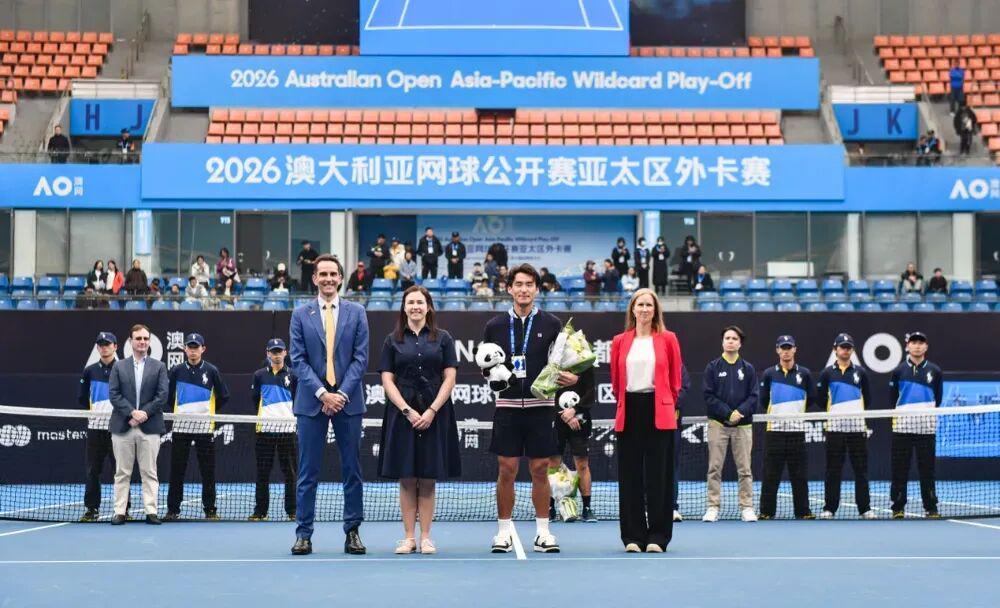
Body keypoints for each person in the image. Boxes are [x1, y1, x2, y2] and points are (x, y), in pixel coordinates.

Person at [482, 264, 580, 553]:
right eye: (518, 284)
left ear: (537, 289)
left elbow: (565, 364)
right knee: (507, 469)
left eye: (529, 285)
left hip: (541, 408)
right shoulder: (494, 326)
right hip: (507, 407)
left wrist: (572, 378)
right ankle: (503, 532)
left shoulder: (552, 324)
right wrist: (493, 377)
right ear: (509, 288)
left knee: (540, 469)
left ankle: (543, 532)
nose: (523, 289)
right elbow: (486, 366)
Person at [290, 254, 370, 556]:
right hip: (312, 403)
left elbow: (360, 358)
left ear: (340, 278)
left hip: (348, 403)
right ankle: (303, 534)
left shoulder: (357, 312)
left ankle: (353, 532)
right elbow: (298, 360)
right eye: (322, 274)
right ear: (314, 278)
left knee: (352, 471)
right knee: (307, 472)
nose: (328, 279)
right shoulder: (300, 314)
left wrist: (341, 394)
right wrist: (323, 394)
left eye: (333, 274)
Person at [379, 286, 461, 554]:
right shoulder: (392, 340)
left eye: (420, 302)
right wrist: (406, 410)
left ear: (428, 307)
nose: (415, 307)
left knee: (427, 478)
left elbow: (450, 377)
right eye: (410, 302)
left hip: (434, 413)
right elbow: (387, 380)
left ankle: (425, 537)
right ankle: (408, 538)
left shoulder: (444, 338)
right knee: (406, 478)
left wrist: (432, 410)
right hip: (402, 415)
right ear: (404, 307)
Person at [609, 289, 682, 552]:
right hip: (629, 410)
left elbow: (675, 381)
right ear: (632, 309)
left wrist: (664, 403)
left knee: (659, 476)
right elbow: (616, 382)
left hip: (658, 411)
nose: (644, 309)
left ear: (655, 310)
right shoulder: (619, 341)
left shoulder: (668, 339)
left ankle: (658, 537)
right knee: (630, 476)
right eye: (639, 305)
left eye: (649, 305)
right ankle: (633, 536)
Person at [165, 333, 230, 521]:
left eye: (196, 347)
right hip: (181, 429)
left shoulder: (212, 371)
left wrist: (208, 413)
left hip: (205, 429)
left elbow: (224, 396)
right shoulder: (176, 371)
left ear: (203, 349)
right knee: (177, 471)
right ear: (185, 349)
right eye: (190, 347)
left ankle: (210, 510)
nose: (193, 351)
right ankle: (173, 510)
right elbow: (169, 398)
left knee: (207, 471)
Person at [108, 324, 169, 525]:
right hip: (123, 427)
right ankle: (120, 512)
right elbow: (114, 394)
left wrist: (144, 413)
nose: (142, 342)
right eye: (138, 338)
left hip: (150, 428)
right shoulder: (119, 366)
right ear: (131, 341)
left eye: (145, 338)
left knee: (149, 472)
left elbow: (162, 395)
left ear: (149, 342)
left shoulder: (159, 367)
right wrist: (131, 413)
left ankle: (151, 512)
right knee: (122, 473)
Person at [702, 326, 758, 523]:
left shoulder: (748, 368)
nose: (730, 341)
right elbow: (708, 396)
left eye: (734, 338)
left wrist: (739, 413)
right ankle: (713, 506)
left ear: (740, 343)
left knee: (745, 469)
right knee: (714, 468)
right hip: (718, 424)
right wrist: (728, 413)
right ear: (722, 342)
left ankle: (747, 507)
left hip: (743, 426)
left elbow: (754, 396)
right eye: (727, 338)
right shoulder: (713, 367)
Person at [817, 333, 874, 519]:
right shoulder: (827, 373)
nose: (845, 350)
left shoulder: (861, 373)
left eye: (849, 347)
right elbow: (820, 400)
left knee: (861, 471)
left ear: (852, 350)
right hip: (834, 430)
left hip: (857, 430)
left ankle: (864, 509)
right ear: (835, 349)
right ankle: (830, 508)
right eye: (842, 347)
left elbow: (868, 399)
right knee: (833, 471)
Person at [758, 335, 815, 520]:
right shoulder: (769, 374)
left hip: (797, 432)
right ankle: (766, 512)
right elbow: (763, 400)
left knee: (799, 475)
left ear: (794, 349)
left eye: (789, 347)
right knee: (770, 475)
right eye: (783, 348)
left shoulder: (805, 374)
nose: (786, 351)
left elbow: (811, 399)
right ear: (777, 350)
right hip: (774, 432)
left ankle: (803, 511)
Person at [889, 331, 942, 519]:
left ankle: (931, 507)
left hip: (926, 430)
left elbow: (938, 399)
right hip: (902, 429)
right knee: (899, 470)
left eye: (921, 343)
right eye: (914, 342)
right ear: (907, 346)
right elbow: (892, 399)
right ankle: (898, 507)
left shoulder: (935, 371)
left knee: (927, 470)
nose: (917, 346)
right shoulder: (898, 371)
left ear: (926, 347)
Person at [249, 338, 298, 521]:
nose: (277, 355)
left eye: (279, 351)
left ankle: (292, 511)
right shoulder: (259, 375)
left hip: (287, 431)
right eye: (273, 351)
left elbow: (298, 400)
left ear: (285, 352)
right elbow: (255, 399)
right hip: (265, 431)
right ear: (268, 353)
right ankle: (260, 512)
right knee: (263, 473)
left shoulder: (294, 376)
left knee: (290, 473)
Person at [547, 360, 596, 524]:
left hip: (580, 420)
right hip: (556, 420)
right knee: (553, 464)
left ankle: (587, 508)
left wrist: (575, 411)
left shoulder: (585, 364)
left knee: (582, 464)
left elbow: (590, 394)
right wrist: (565, 415)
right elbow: (546, 392)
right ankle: (550, 507)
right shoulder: (553, 362)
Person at [78, 332, 120, 522]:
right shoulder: (89, 371)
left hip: (117, 428)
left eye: (107, 344)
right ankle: (91, 509)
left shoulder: (123, 369)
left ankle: (123, 508)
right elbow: (82, 398)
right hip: (95, 428)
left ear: (115, 346)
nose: (104, 347)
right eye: (101, 344)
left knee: (120, 471)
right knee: (92, 470)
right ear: (97, 347)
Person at [672, 364, 691, 522]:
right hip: (649, 425)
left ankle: (672, 507)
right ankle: (646, 507)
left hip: (672, 425)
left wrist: (665, 404)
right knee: (647, 466)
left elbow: (683, 389)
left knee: (671, 467)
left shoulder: (678, 367)